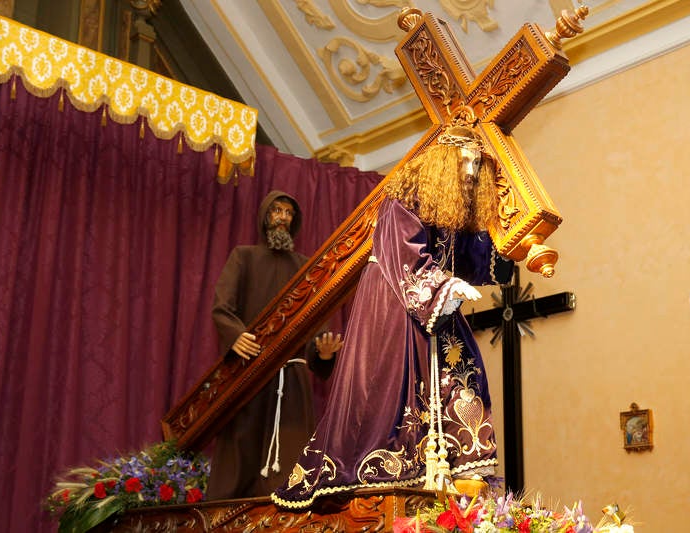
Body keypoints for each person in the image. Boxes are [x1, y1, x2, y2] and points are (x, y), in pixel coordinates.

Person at [271, 106, 514, 509]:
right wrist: (444, 286)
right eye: (466, 160)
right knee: (395, 391)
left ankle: (463, 476)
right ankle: (389, 474)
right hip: (397, 305)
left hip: (437, 304)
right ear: (443, 160)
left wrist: (506, 248)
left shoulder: (453, 209)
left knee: (465, 377)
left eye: (477, 162)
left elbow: (472, 255)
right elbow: (403, 254)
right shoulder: (404, 197)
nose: (471, 171)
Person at [206, 190, 343, 500]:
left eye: (288, 213)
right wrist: (235, 334)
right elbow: (222, 308)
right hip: (247, 375)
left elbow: (314, 319)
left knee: (291, 464)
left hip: (291, 380)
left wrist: (321, 352)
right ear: (265, 216)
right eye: (277, 211)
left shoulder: (306, 267)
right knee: (240, 455)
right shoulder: (244, 257)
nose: (283, 217)